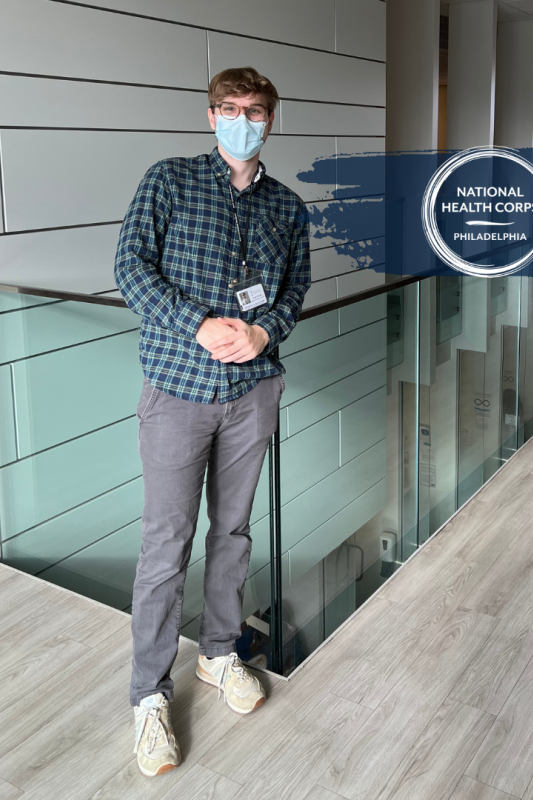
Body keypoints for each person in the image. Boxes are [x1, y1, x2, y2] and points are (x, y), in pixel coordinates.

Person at [113, 66, 311, 777]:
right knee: (166, 542)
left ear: (270, 120)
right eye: (229, 108)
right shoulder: (168, 181)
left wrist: (265, 333)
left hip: (252, 390)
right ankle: (148, 695)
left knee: (231, 531)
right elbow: (131, 268)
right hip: (177, 387)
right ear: (210, 116)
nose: (242, 119)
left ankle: (220, 653)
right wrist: (198, 325)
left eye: (255, 110)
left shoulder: (287, 207)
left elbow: (295, 288)